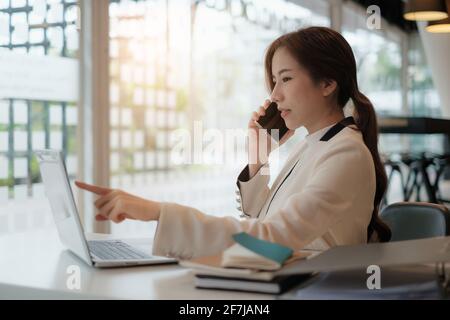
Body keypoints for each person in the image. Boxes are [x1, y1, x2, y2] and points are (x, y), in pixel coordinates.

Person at [76, 26, 391, 260]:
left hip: (310, 288)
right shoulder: (313, 144)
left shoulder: (344, 154)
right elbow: (262, 221)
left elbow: (271, 237)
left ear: (327, 83)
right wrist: (259, 158)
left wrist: (156, 211)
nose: (274, 95)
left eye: (286, 78)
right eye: (274, 81)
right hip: (285, 277)